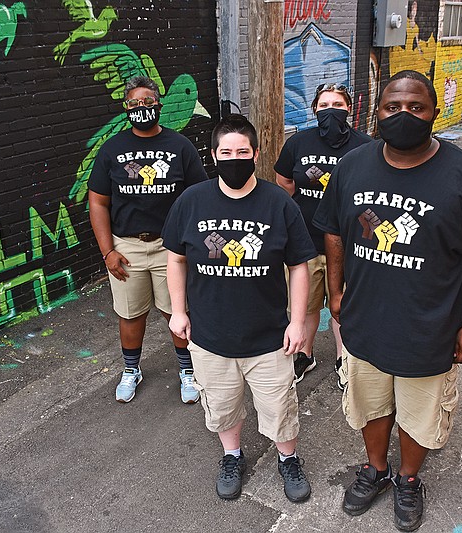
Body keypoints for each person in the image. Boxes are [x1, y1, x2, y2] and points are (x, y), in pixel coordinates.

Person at [313, 70, 462, 531]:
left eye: (415, 107)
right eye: (393, 107)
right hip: (365, 320)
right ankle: (375, 469)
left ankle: (407, 478)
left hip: (430, 326)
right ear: (377, 112)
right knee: (369, 404)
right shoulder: (353, 166)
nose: (403, 115)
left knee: (420, 415)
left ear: (434, 112)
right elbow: (334, 232)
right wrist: (335, 291)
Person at [162, 114, 317, 503]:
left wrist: (298, 322)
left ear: (256, 154)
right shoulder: (191, 201)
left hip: (268, 337)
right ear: (214, 155)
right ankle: (232, 456)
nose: (235, 158)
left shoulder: (278, 202)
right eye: (226, 151)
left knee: (280, 407)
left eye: (242, 152)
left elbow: (299, 265)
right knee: (223, 407)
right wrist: (178, 311)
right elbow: (176, 259)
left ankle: (288, 459)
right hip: (211, 335)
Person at [88, 75, 208, 404]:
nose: (142, 107)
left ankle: (187, 371)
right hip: (126, 247)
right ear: (126, 108)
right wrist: (107, 252)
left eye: (148, 101)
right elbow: (97, 201)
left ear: (159, 104)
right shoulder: (112, 149)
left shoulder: (180, 146)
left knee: (177, 312)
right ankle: (131, 370)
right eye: (134, 103)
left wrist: (192, 244)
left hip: (170, 248)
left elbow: (199, 197)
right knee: (130, 314)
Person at [275, 83, 372, 388]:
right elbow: (285, 181)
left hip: (349, 245)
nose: (331, 110)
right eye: (324, 104)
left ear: (349, 109)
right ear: (314, 109)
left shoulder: (365, 147)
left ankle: (345, 357)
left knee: (345, 305)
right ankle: (305, 354)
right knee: (305, 307)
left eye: (338, 104)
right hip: (306, 243)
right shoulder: (298, 143)